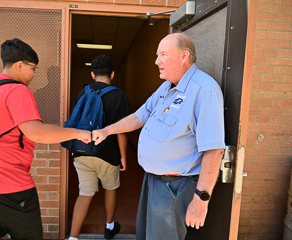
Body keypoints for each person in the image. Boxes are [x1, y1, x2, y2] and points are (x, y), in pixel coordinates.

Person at [92, 33, 225, 240]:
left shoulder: (205, 90)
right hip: (153, 181)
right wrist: (107, 130)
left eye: (163, 54)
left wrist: (201, 200)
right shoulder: (167, 86)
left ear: (184, 56)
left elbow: (214, 149)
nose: (157, 61)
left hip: (175, 187)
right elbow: (139, 116)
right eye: (157, 55)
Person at [0, 38, 91, 240]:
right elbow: (36, 133)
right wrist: (77, 133)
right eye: (33, 68)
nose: (35, 73)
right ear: (19, 65)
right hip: (10, 181)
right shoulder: (17, 90)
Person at [68, 55, 132, 240]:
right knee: (110, 188)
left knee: (85, 193)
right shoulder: (118, 95)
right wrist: (123, 157)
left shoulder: (83, 93)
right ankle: (109, 227)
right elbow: (122, 130)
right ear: (112, 74)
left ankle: (73, 237)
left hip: (82, 150)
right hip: (108, 153)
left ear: (92, 74)